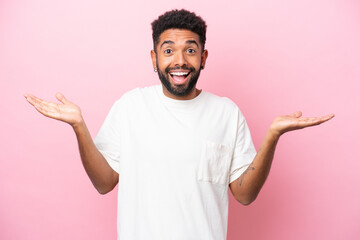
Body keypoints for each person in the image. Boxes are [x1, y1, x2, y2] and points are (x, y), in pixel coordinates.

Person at [24, 9, 334, 240]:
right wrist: (79, 127)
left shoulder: (226, 112)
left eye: (190, 49)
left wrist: (273, 136)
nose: (180, 60)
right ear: (154, 57)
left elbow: (244, 194)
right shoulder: (131, 107)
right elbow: (104, 183)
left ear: (203, 56)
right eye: (168, 49)